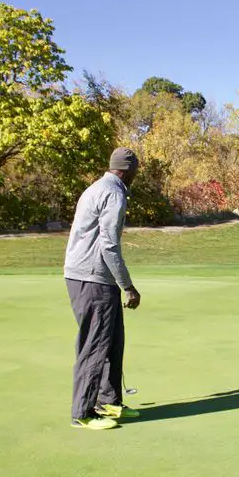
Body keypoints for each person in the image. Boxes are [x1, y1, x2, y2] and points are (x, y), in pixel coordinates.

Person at [63, 147, 142, 430]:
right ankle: (83, 412)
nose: (137, 174)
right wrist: (128, 286)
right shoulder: (114, 193)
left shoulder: (97, 187)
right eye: (136, 169)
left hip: (89, 276)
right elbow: (109, 244)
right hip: (93, 277)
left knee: (112, 341)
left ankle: (109, 402)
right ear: (126, 169)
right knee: (95, 344)